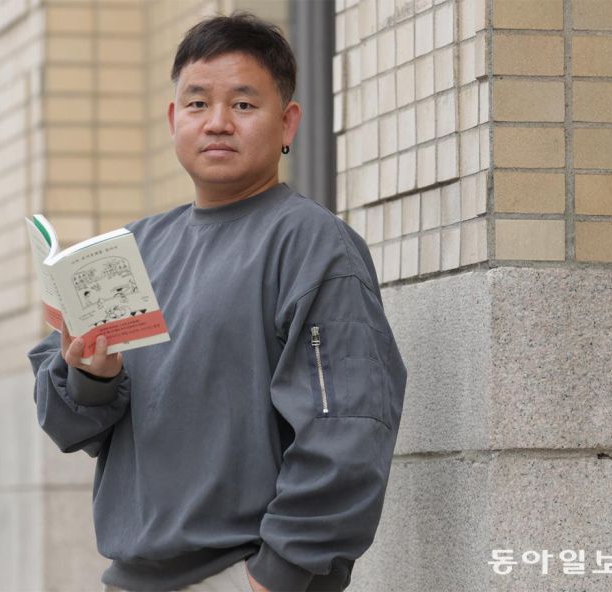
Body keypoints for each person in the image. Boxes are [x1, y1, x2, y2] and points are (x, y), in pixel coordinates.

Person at [28, 12, 407, 592]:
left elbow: (348, 427)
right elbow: (73, 426)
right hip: (131, 577)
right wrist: (91, 375)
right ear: (174, 118)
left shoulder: (310, 244)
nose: (219, 123)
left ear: (288, 123)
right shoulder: (136, 249)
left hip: (243, 574)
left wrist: (276, 574)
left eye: (245, 105)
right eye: (199, 104)